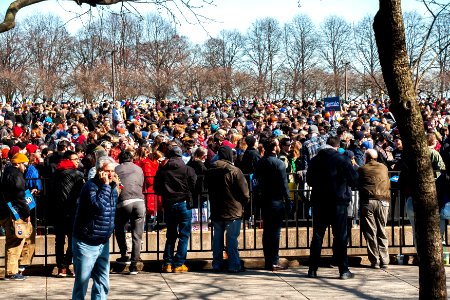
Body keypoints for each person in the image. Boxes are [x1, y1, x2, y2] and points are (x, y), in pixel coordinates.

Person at [306, 136, 358, 279]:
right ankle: (343, 270)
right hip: (338, 202)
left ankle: (312, 269)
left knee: (317, 236)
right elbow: (354, 179)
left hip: (319, 202)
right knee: (340, 236)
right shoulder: (342, 160)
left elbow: (309, 180)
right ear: (337, 146)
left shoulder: (315, 160)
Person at [71, 156, 118, 300]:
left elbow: (111, 212)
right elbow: (98, 207)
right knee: (82, 282)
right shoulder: (90, 186)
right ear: (99, 171)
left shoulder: (112, 188)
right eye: (107, 171)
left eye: (112, 171)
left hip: (102, 242)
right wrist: (105, 186)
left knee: (102, 283)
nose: (110, 174)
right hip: (86, 242)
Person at [205, 146, 250, 272]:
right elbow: (244, 193)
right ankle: (234, 265)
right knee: (232, 239)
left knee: (217, 239)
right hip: (233, 209)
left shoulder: (210, 171)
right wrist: (243, 203)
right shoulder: (235, 171)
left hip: (216, 208)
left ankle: (217, 264)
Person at [154, 146, 197, 273]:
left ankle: (167, 263)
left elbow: (157, 188)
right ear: (180, 156)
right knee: (184, 235)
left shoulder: (162, 171)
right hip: (184, 203)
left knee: (171, 235)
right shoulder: (187, 169)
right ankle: (178, 264)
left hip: (169, 204)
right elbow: (194, 184)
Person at [254, 137, 290, 271]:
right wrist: (288, 200)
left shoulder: (260, 163)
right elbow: (284, 184)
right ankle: (274, 261)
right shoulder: (278, 163)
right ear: (275, 148)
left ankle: (268, 260)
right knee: (275, 232)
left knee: (267, 231)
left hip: (264, 199)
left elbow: (256, 181)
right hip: (276, 200)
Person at [50, 150, 85, 277]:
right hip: (72, 211)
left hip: (57, 211)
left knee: (59, 240)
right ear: (68, 160)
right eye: (75, 159)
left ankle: (61, 267)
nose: (77, 161)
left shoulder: (55, 174)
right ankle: (66, 264)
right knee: (72, 239)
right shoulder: (78, 174)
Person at [358, 149, 391, 269]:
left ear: (366, 157)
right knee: (381, 229)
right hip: (384, 201)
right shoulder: (384, 167)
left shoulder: (362, 169)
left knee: (371, 231)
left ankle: (375, 260)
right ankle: (385, 260)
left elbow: (358, 182)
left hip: (368, 201)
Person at [114, 150, 146, 275]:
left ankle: (124, 254)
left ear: (120, 159)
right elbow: (141, 184)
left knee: (119, 227)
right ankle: (134, 264)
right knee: (137, 234)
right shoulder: (139, 169)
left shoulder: (117, 169)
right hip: (139, 201)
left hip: (124, 201)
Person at [0, 153, 31, 280]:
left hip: (6, 212)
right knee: (15, 241)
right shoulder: (16, 175)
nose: (26, 167)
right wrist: (26, 213)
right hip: (14, 213)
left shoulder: (7, 172)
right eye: (24, 164)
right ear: (18, 163)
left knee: (16, 240)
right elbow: (19, 197)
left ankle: (15, 268)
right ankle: (12, 271)